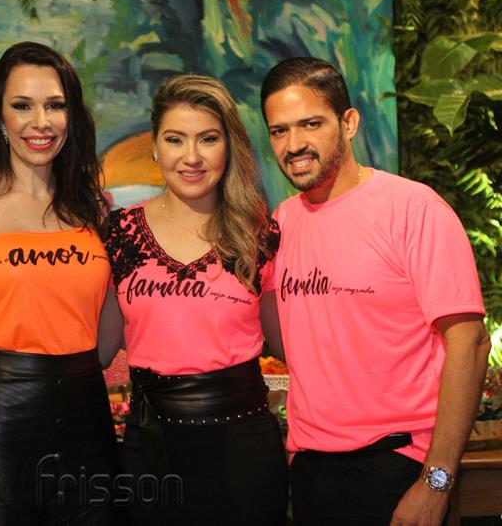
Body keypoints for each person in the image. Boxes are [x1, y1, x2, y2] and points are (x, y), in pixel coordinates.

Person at [259, 57, 491, 526]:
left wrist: (436, 482)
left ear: (348, 123)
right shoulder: (281, 222)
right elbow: (288, 341)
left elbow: (471, 341)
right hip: (311, 469)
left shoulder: (413, 209)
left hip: (399, 466)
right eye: (279, 130)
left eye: (311, 124)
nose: (294, 144)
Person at [0, 41, 118, 525]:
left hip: (88, 416)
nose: (41, 122)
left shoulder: (91, 209)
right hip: (2, 419)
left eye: (55, 105)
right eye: (22, 105)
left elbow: (106, 339)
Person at [102, 74, 288, 526]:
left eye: (208, 139)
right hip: (150, 450)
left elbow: (291, 346)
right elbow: (98, 352)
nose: (191, 157)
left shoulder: (259, 234)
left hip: (243, 450)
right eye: (175, 139)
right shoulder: (118, 232)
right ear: (154, 147)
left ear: (228, 146)